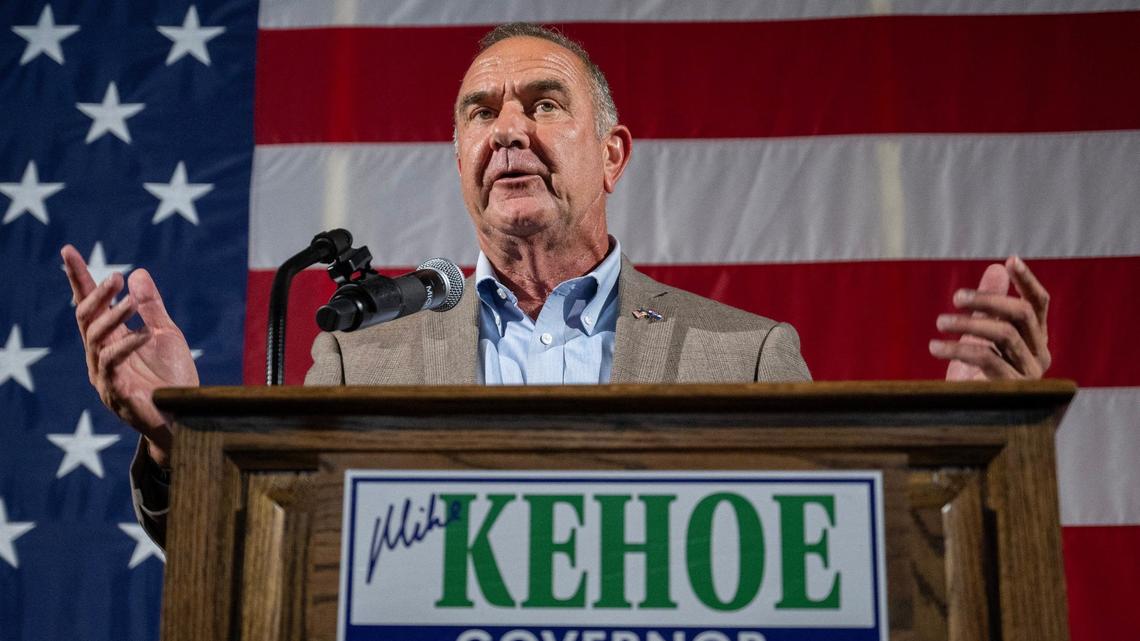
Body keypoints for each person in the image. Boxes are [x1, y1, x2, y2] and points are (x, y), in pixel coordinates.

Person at [60, 23, 1051, 545]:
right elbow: (277, 561)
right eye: (480, 112)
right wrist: (173, 440)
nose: (507, 130)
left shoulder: (746, 352)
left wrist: (965, 457)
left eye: (543, 102)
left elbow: (829, 567)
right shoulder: (360, 353)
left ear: (612, 152)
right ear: (459, 159)